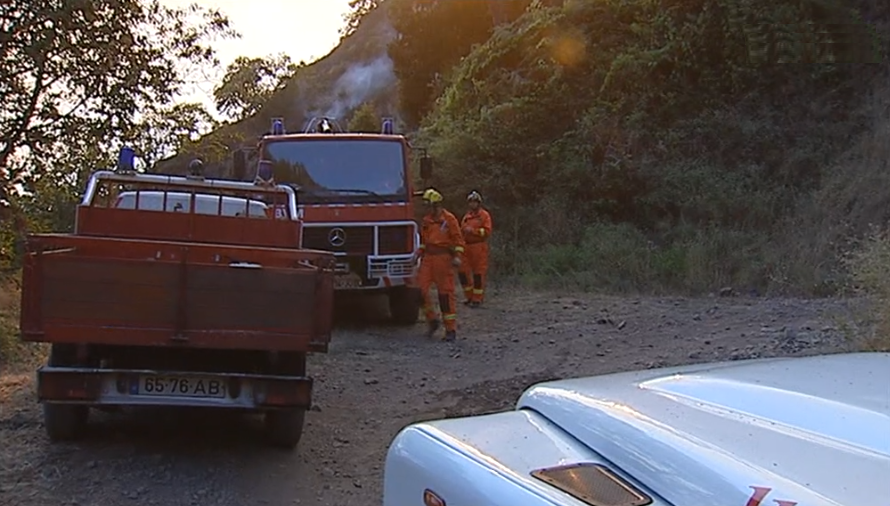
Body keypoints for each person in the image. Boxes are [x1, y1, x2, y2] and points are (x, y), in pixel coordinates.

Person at [414, 188, 465, 342]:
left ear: (437, 205)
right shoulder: (427, 221)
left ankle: (450, 329)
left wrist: (457, 256)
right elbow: (424, 242)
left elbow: (458, 241)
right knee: (419, 290)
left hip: (444, 259)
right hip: (429, 258)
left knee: (445, 295)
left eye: (429, 206)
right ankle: (432, 320)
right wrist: (418, 254)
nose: (427, 209)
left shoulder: (449, 220)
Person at [458, 191, 493, 307]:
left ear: (478, 203)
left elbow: (487, 231)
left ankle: (477, 299)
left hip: (479, 246)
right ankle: (469, 296)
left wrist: (474, 231)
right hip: (466, 247)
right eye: (470, 202)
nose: (472, 204)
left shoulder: (484, 215)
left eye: (474, 202)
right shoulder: (467, 217)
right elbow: (461, 230)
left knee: (478, 274)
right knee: (463, 272)